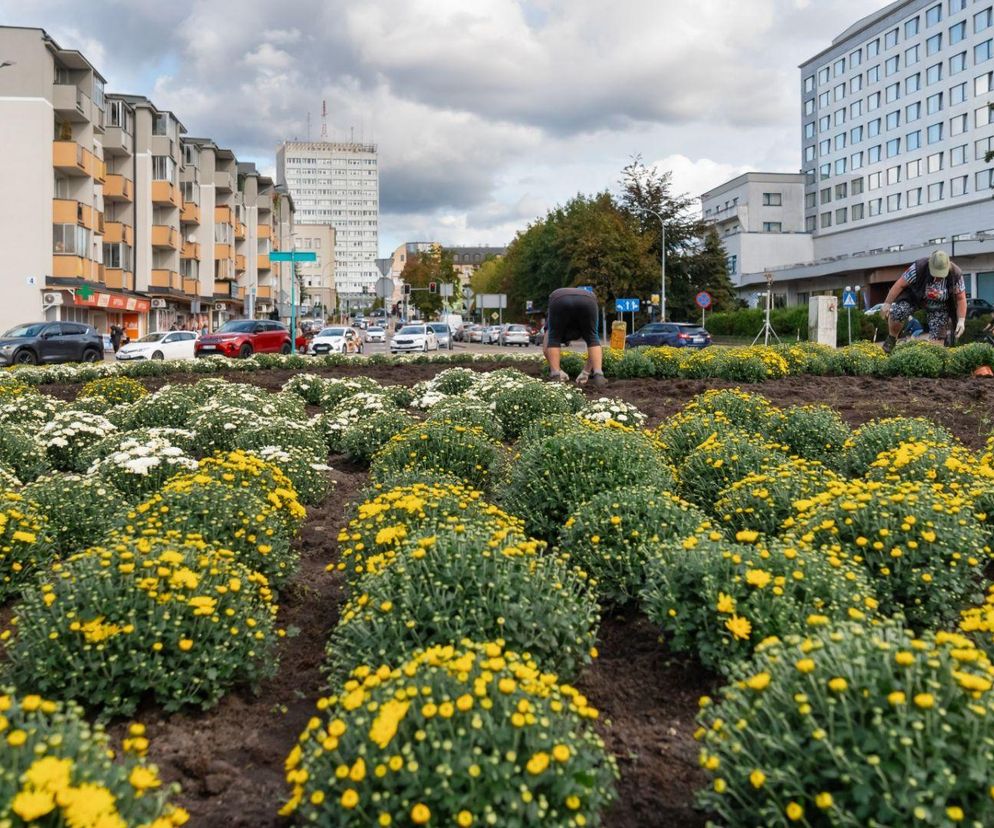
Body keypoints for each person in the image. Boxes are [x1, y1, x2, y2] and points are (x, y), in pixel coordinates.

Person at [880, 250, 966, 353]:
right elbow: (899, 285)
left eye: (940, 274)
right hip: (915, 297)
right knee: (898, 311)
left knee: (937, 344)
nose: (936, 277)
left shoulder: (956, 275)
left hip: (939, 305)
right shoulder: (918, 267)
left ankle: (934, 355)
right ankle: (892, 339)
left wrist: (961, 320)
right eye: (935, 272)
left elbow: (961, 298)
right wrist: (887, 303)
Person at [543, 287, 607, 388]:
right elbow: (594, 344)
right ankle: (599, 375)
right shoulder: (584, 328)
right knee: (592, 338)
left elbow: (547, 347)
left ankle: (555, 376)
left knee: (554, 338)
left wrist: (558, 370)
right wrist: (586, 372)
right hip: (587, 300)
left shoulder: (552, 321)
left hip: (559, 299)